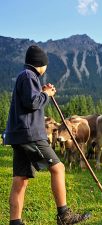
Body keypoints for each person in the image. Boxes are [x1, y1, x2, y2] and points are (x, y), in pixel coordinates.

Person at [4, 45, 91, 225]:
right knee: (58, 168)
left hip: (19, 135)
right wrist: (46, 93)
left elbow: (31, 99)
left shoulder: (25, 76)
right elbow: (33, 102)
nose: (45, 69)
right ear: (40, 64)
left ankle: (15, 222)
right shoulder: (30, 75)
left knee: (20, 179)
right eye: (46, 66)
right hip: (30, 134)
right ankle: (64, 216)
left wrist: (42, 91)